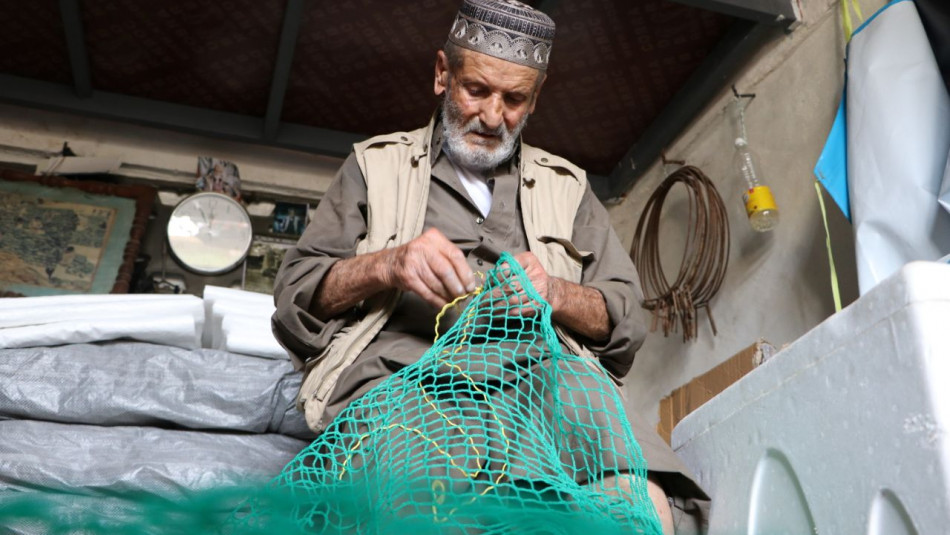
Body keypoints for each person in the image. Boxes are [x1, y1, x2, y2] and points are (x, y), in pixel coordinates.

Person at [272, 1, 709, 532]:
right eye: (476, 90)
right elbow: (295, 298)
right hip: (409, 379)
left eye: (514, 99)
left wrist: (553, 293)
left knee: (637, 497)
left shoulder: (567, 187)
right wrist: (389, 264)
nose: (492, 115)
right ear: (442, 74)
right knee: (424, 507)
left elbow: (624, 324)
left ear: (535, 100)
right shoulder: (374, 165)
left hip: (546, 377)